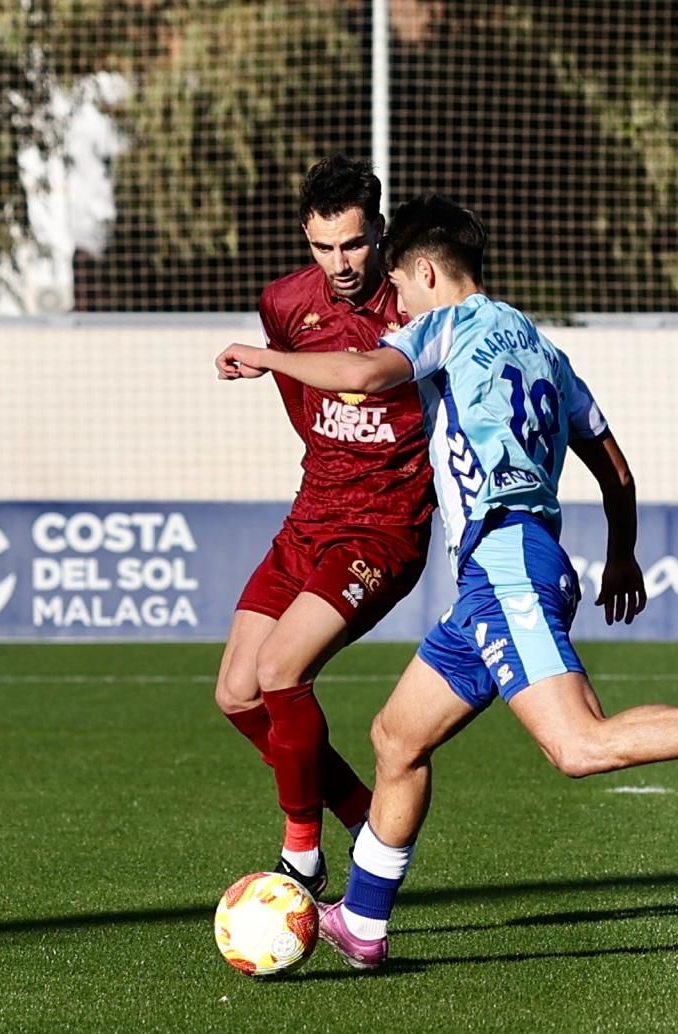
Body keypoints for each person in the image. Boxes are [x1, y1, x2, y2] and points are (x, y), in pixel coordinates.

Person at [216, 193, 678, 970]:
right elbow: (614, 467)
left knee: (579, 745)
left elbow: (361, 371)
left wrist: (266, 356)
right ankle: (365, 923)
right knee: (396, 738)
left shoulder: (446, 327)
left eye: (402, 291)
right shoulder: (545, 351)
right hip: (507, 568)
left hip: (508, 562)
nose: (398, 309)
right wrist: (621, 554)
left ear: (423, 272)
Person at [213, 157, 435, 897]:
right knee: (238, 695)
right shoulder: (283, 302)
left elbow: (364, 374)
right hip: (312, 516)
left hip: (385, 529)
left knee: (282, 671)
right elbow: (308, 406)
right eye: (321, 247)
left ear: (379, 230)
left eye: (353, 244)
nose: (339, 264)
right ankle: (361, 813)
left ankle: (301, 856)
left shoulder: (422, 305)